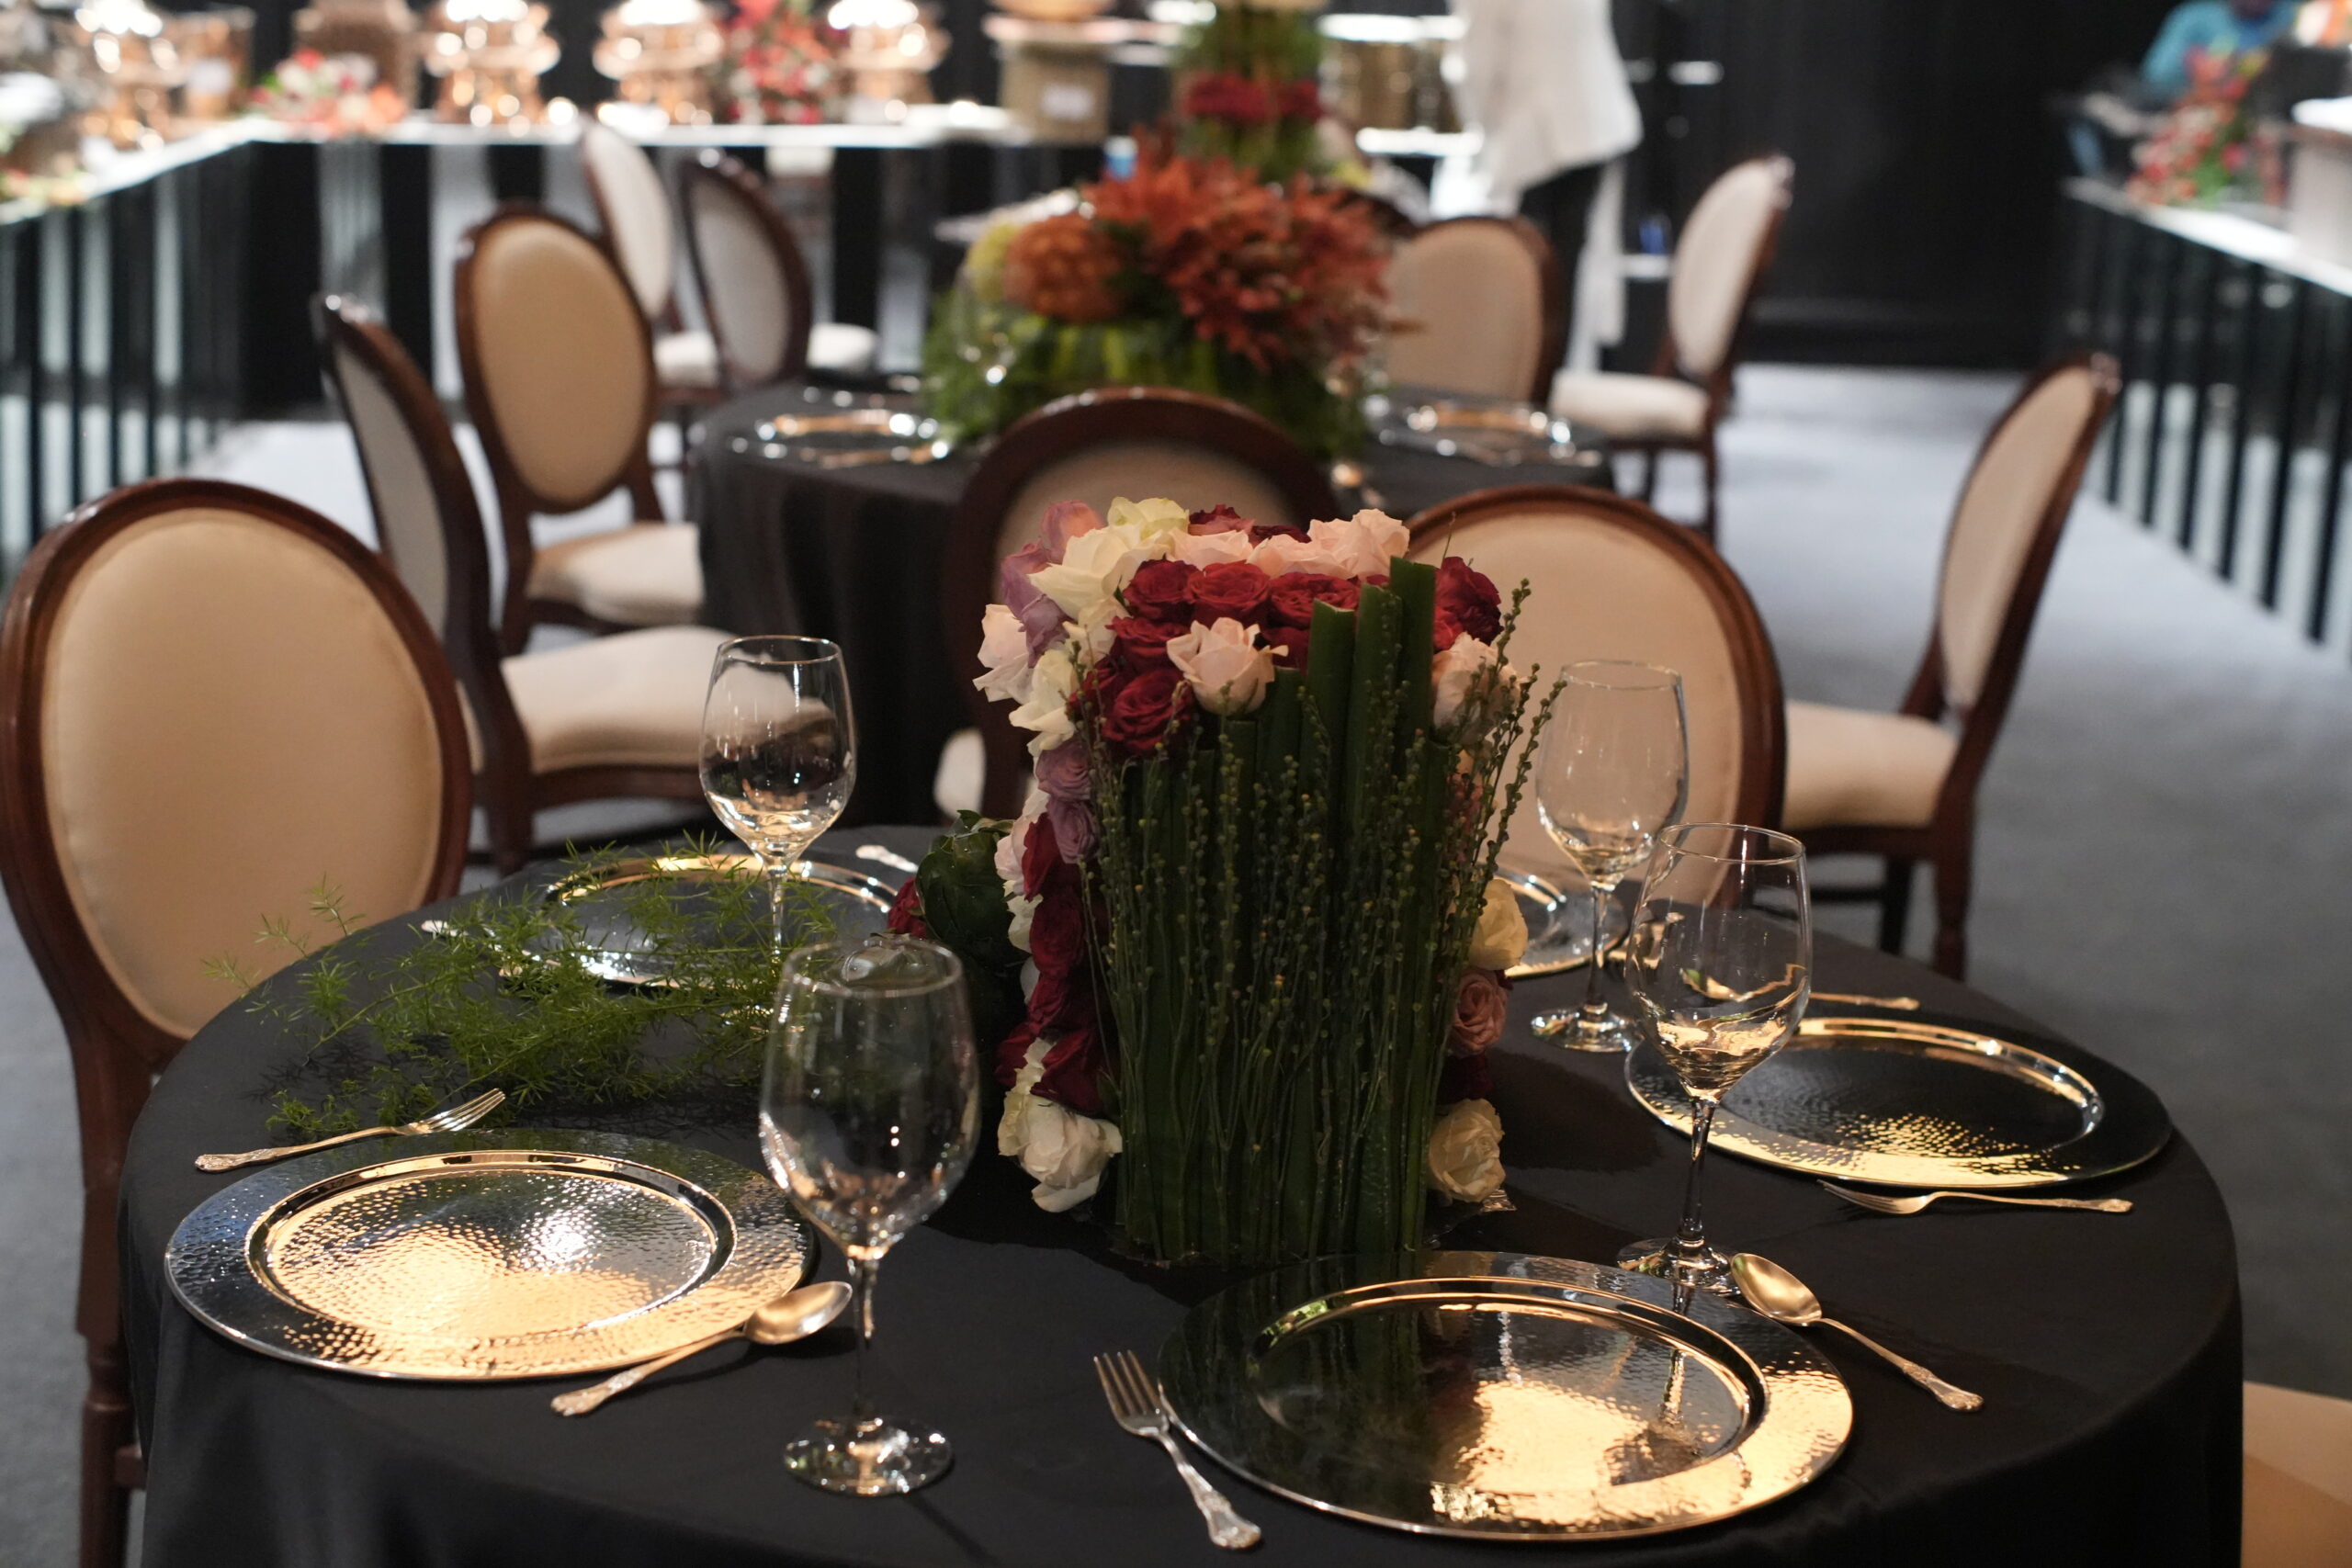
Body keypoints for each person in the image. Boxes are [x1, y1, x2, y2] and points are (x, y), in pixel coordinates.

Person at [1451, 0, 1641, 363]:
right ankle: (1552, 368)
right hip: (1592, 120)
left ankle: (1538, 373)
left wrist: (1484, 129)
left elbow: (1476, 68)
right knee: (1566, 259)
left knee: (1535, 264)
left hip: (1543, 134)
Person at [2143, 0, 2299, 97]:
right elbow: (2158, 73)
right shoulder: (2196, 16)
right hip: (2202, 113)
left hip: (2271, 116)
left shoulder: (2292, 15)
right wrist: (2198, 63)